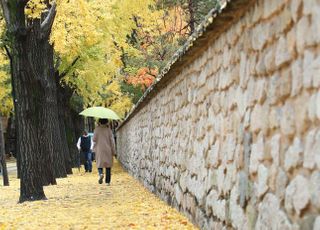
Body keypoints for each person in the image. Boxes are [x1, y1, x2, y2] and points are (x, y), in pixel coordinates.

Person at [93, 119, 116, 185]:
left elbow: (93, 139)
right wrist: (114, 151)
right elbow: (112, 141)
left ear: (99, 122)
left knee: (99, 164)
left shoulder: (96, 129)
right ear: (106, 122)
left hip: (99, 149)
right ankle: (107, 182)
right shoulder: (109, 130)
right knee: (108, 166)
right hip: (108, 149)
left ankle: (100, 174)